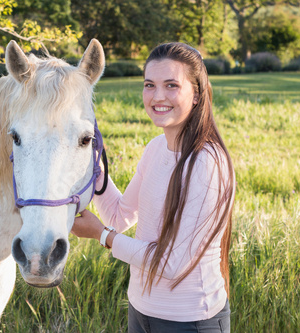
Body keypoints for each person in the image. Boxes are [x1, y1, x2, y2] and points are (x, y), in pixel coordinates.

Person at [72, 42, 235, 333]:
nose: (158, 97)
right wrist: (94, 170)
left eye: (171, 85)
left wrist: (101, 236)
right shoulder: (156, 148)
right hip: (140, 311)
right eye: (150, 85)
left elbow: (172, 264)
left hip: (190, 321)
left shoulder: (206, 163)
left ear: (196, 94)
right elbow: (120, 217)